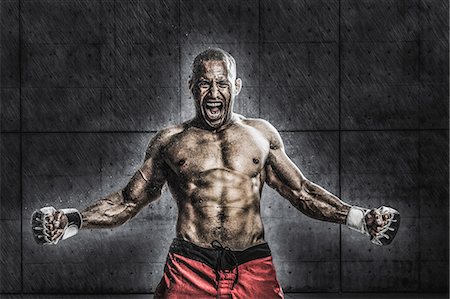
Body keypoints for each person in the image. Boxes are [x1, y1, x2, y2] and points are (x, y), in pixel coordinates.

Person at [32, 48, 400, 299]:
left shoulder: (260, 136)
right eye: (205, 83)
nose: (213, 91)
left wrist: (359, 218)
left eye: (222, 83)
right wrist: (72, 220)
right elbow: (128, 201)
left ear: (236, 87)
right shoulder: (170, 142)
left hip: (253, 264)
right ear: (192, 87)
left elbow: (302, 192)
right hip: (190, 265)